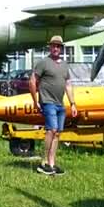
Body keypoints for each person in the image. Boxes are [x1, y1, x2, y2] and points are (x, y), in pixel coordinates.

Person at [30, 35, 77, 175]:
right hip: (47, 102)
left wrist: (73, 104)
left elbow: (68, 84)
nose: (56, 48)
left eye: (58, 46)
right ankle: (44, 162)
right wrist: (35, 100)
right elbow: (32, 81)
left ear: (61, 48)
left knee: (57, 133)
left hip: (60, 104)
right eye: (53, 46)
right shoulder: (44, 63)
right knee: (52, 129)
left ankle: (52, 164)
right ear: (50, 47)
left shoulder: (64, 65)